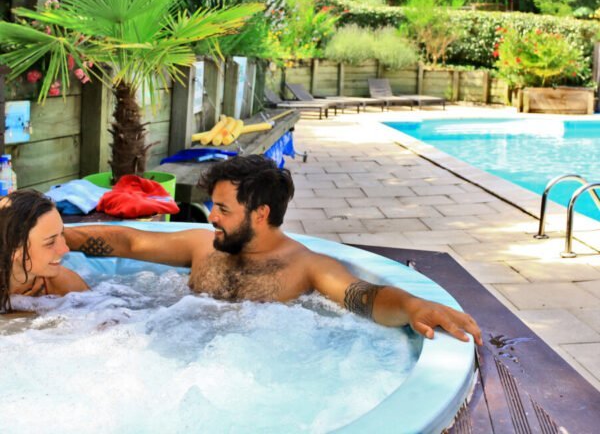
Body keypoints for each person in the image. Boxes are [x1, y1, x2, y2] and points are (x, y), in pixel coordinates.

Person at [65, 155, 482, 344]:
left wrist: (411, 307)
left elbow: (364, 298)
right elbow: (130, 241)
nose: (210, 216)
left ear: (260, 213)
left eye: (223, 208)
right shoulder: (202, 246)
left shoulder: (306, 266)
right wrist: (56, 235)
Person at [1, 189, 89, 314]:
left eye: (62, 234)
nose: (65, 249)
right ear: (13, 250)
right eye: (50, 242)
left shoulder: (64, 284)